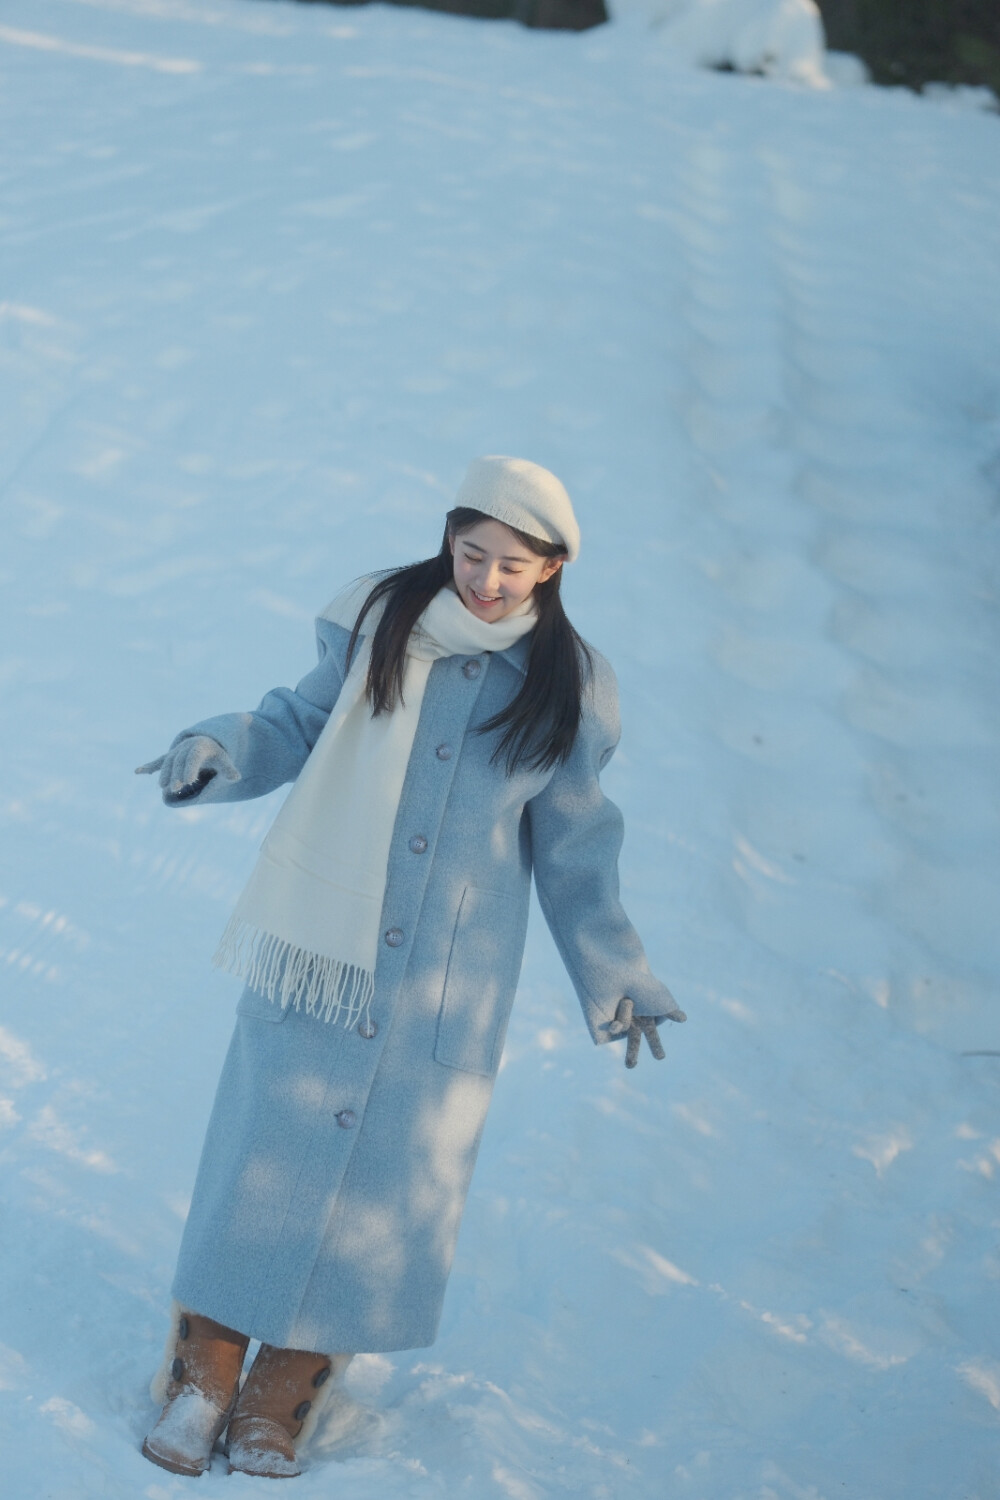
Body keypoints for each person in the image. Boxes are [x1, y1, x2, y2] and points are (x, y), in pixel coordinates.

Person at [136, 456, 685, 1480]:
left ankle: (284, 1385)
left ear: (552, 568)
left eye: (510, 566)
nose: (483, 579)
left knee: (384, 1184)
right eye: (471, 553)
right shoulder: (382, 620)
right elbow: (296, 724)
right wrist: (215, 748)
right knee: (266, 1148)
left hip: (448, 977)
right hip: (323, 948)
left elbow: (574, 843)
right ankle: (202, 1368)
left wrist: (618, 973)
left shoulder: (571, 682)